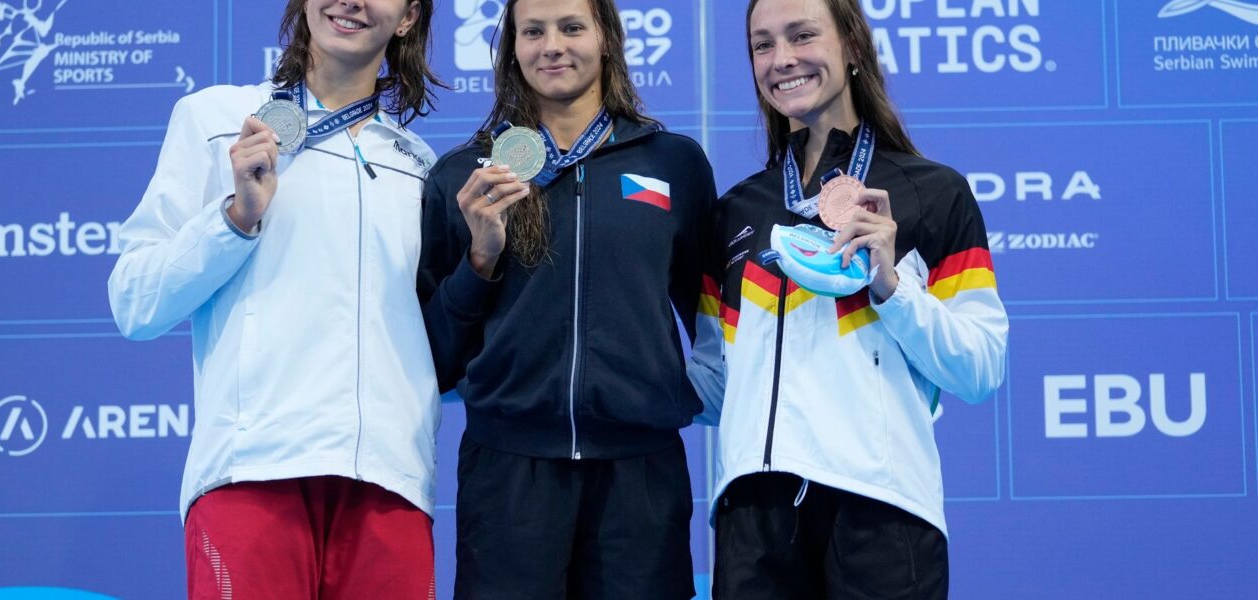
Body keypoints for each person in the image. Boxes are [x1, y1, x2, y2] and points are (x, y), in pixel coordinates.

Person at [107, 1, 444, 597]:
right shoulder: (216, 119)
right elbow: (135, 302)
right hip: (254, 471)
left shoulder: (419, 166)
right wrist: (235, 218)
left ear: (410, 15)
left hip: (389, 483)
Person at [687, 0, 1009, 597]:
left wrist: (890, 286)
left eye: (802, 35)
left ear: (853, 46)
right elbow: (717, 383)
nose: (782, 59)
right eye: (762, 44)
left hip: (881, 511)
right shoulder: (735, 213)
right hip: (754, 518)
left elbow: (981, 367)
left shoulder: (932, 194)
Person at [415, 0, 718, 597]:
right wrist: (480, 259)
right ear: (512, 49)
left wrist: (670, 395)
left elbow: (714, 316)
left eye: (572, 27)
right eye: (533, 31)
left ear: (605, 38)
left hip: (641, 476)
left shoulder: (674, 163)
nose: (552, 45)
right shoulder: (464, 177)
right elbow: (434, 357)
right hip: (507, 474)